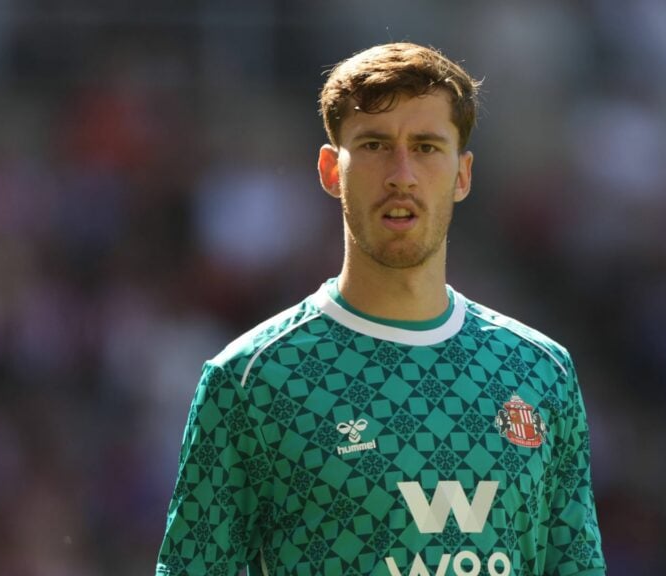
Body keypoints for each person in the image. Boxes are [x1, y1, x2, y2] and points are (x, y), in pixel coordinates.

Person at [155, 42, 606, 576]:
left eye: (426, 147)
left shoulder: (540, 372)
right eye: (373, 145)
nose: (401, 174)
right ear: (330, 170)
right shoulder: (251, 381)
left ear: (463, 175)